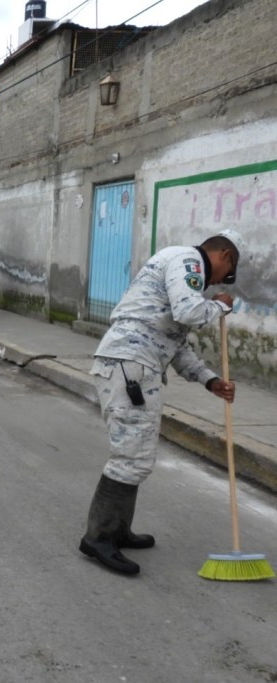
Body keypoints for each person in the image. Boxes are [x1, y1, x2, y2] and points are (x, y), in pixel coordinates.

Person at [79, 229, 242, 575]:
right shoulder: (187, 261)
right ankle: (99, 538)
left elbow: (175, 343)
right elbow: (190, 312)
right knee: (131, 456)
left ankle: (118, 529)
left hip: (134, 364)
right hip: (131, 366)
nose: (217, 283)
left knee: (136, 454)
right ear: (225, 255)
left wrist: (210, 380)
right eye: (225, 275)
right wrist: (220, 306)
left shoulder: (180, 268)